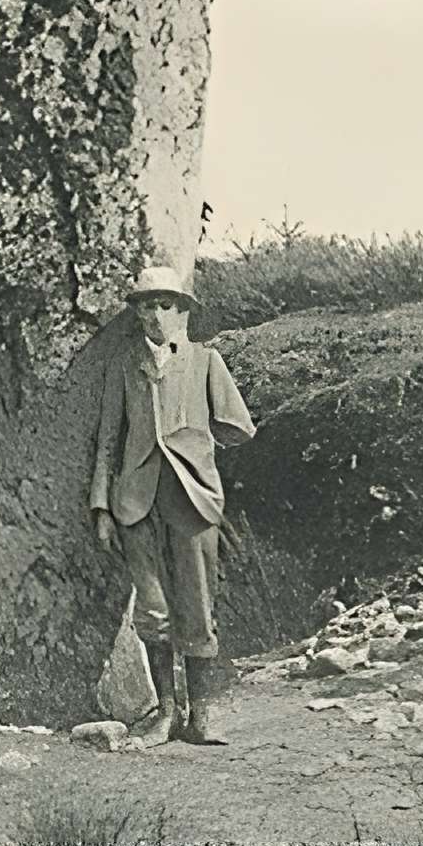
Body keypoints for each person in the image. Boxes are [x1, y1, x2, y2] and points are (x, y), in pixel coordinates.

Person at [89, 262, 256, 747]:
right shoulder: (124, 366)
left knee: (197, 609)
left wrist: (196, 448)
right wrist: (101, 507)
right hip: (135, 505)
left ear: (183, 311)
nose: (156, 315)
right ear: (137, 314)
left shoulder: (205, 361)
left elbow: (239, 426)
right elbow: (107, 441)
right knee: (154, 611)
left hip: (192, 501)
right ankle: (165, 713)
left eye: (166, 305)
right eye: (147, 307)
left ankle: (200, 715)